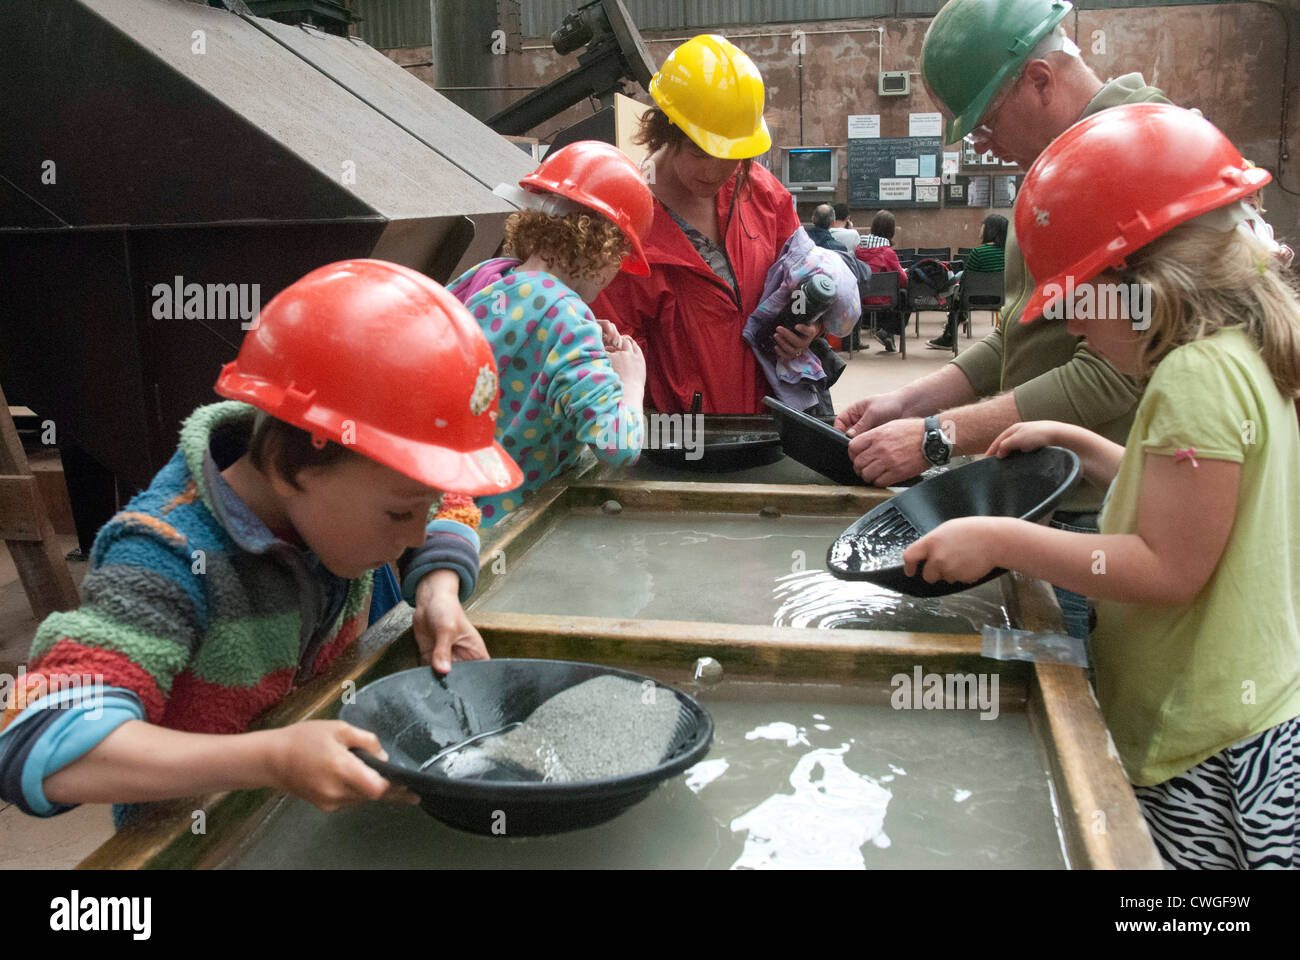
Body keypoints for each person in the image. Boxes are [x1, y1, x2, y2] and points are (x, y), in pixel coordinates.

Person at [904, 104, 1300, 869]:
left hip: (1201, 746)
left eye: (1079, 300)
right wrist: (1086, 445)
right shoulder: (1244, 352)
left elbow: (1169, 567)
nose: (1077, 328)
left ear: (1143, 279)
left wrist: (1001, 538)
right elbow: (1213, 514)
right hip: (1253, 714)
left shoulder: (1195, 378)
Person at [0, 260, 524, 823]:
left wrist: (438, 592)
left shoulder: (338, 496)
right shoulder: (163, 559)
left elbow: (447, 502)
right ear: (286, 466)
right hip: (205, 836)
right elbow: (36, 738)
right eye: (399, 512)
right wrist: (271, 758)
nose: (416, 535)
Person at [837, 0, 1171, 640]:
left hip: (1093, 512)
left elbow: (1110, 374)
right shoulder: (1058, 168)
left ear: (1041, 80)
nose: (983, 148)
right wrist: (912, 401)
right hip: (1046, 498)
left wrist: (938, 437)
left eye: (985, 125)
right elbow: (1024, 334)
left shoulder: (1134, 158)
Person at [594, 35, 822, 415]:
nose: (716, 171)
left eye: (734, 156)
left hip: (772, 424)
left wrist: (808, 326)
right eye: (703, 152)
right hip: (679, 446)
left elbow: (803, 280)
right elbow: (614, 363)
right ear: (667, 130)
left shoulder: (765, 195)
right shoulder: (623, 225)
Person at [450, 141, 651, 527]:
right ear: (604, 250)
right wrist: (631, 382)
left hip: (442, 515)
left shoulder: (489, 276)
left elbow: (514, 348)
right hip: (500, 531)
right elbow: (617, 446)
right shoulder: (566, 317)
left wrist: (585, 337)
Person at [929, 213, 1008, 349]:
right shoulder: (1008, 253)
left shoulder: (978, 253)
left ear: (989, 230)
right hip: (1003, 299)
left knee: (957, 298)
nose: (980, 230)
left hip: (975, 299)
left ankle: (949, 338)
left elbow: (966, 281)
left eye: (982, 226)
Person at [856, 210, 910, 353]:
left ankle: (887, 333)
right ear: (891, 231)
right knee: (905, 293)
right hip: (885, 302)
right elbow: (903, 281)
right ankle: (887, 331)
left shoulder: (858, 249)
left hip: (860, 300)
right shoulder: (888, 253)